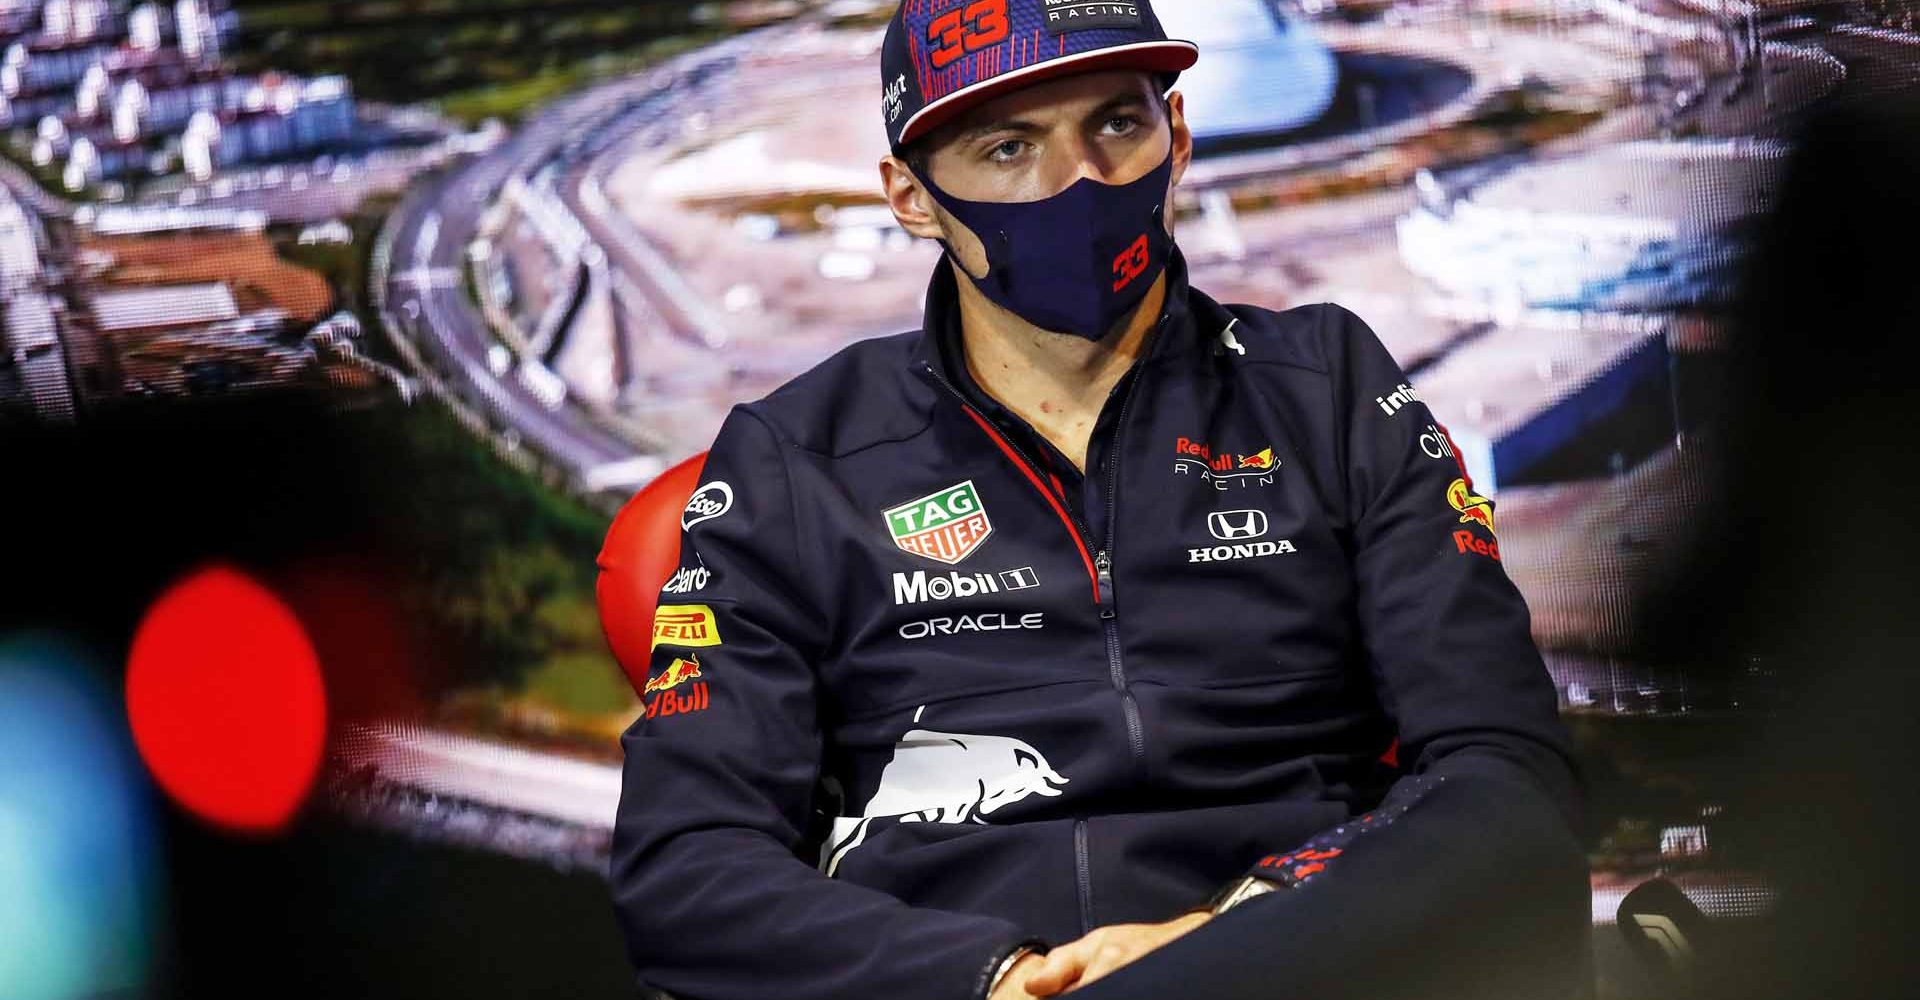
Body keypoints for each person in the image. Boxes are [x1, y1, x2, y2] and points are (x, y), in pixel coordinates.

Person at [608, 3, 1592, 999]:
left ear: (1179, 137)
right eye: (1007, 146)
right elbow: (686, 865)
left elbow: (1503, 778)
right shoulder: (796, 456)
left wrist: (1226, 930)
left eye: (1117, 125)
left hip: (1291, 959)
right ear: (910, 196)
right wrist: (994, 978)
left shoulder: (1328, 389)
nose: (1077, 180)